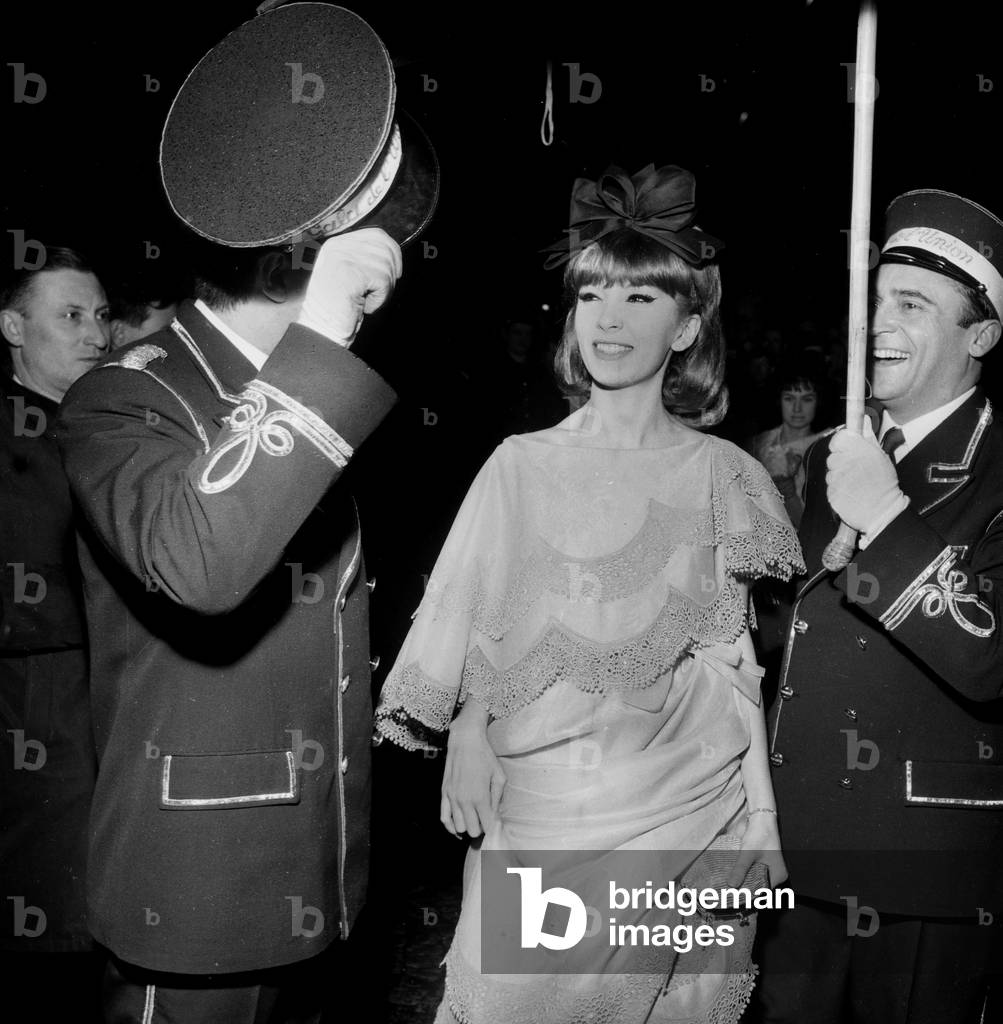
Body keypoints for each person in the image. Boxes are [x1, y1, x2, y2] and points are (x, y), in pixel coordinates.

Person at [53, 2, 440, 1018]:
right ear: (291, 264)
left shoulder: (307, 391)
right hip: (195, 902)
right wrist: (322, 334)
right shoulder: (125, 396)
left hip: (316, 880)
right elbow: (204, 561)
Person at [376, 164, 804, 1023]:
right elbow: (477, 625)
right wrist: (465, 730)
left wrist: (762, 822)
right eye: (593, 295)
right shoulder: (519, 465)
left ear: (686, 329)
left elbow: (733, 667)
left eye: (640, 299)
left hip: (690, 809)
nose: (609, 317)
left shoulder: (727, 475)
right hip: (546, 812)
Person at [756, 189, 1003, 1024]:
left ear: (981, 336)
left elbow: (988, 655)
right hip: (797, 852)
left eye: (911, 303)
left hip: (919, 871)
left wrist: (888, 517)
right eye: (876, 300)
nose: (878, 323)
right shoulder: (834, 450)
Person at [0, 246, 108, 1019]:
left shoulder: (99, 427)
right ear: (13, 325)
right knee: (47, 927)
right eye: (70, 316)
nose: (96, 334)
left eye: (101, 316)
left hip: (102, 697)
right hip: (35, 703)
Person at [748, 360, 829, 528]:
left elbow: (815, 527)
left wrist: (787, 490)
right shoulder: (760, 443)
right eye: (789, 398)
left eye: (807, 399)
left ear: (819, 401)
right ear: (778, 399)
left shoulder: (826, 447)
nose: (797, 408)